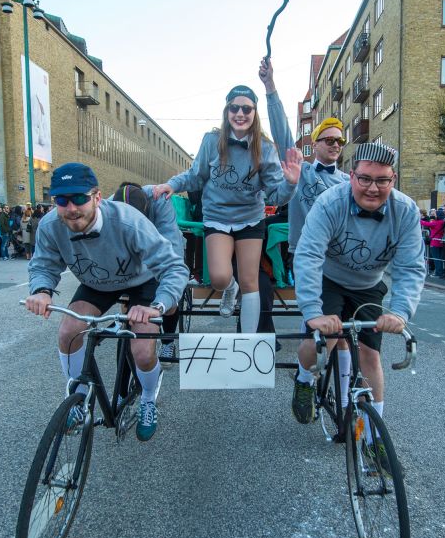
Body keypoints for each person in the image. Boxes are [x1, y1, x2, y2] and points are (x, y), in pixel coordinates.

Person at [26, 163, 190, 442]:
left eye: (79, 198)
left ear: (97, 198)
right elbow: (43, 264)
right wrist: (42, 290)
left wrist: (158, 306)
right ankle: (77, 399)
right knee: (68, 331)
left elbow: (174, 268)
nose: (72, 208)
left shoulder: (128, 221)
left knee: (141, 349)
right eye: (62, 200)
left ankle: (148, 397)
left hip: (142, 280)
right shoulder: (50, 225)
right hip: (96, 282)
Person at [291, 142, 426, 455]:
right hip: (329, 278)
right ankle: (303, 378)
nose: (372, 188)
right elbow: (309, 255)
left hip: (369, 283)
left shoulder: (404, 211)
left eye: (382, 181)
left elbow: (411, 266)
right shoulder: (329, 203)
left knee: (370, 354)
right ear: (351, 176)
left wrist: (401, 312)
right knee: (323, 339)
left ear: (393, 180)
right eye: (364, 178)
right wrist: (312, 312)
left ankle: (373, 439)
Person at [152, 84, 301, 332]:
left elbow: (276, 196)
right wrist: (172, 184)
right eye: (234, 107)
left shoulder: (265, 148)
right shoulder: (212, 141)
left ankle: (249, 342)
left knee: (250, 281)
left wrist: (291, 183)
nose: (240, 113)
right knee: (221, 278)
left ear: (254, 113)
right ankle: (230, 290)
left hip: (251, 219)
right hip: (217, 218)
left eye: (246, 108)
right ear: (227, 111)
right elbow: (196, 175)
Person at [260, 58, 349, 256]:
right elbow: (281, 132)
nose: (335, 145)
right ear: (315, 144)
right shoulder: (301, 171)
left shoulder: (348, 181)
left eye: (339, 141)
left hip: (338, 256)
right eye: (329, 140)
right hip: (304, 253)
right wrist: (269, 86)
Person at [111, 182, 185, 364]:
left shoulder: (158, 201)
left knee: (170, 297)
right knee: (129, 312)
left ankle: (167, 340)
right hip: (133, 255)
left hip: (164, 248)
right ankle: (121, 391)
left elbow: (172, 250)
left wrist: (169, 287)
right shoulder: (109, 207)